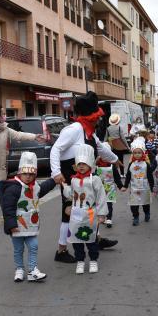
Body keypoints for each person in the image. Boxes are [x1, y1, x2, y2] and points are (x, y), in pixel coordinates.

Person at [50, 91, 119, 263]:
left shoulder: (89, 132)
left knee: (89, 209)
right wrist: (56, 172)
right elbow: (55, 149)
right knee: (69, 213)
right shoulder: (73, 130)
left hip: (86, 176)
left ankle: (95, 238)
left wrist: (116, 160)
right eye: (96, 117)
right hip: (70, 177)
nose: (99, 120)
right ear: (90, 117)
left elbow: (101, 149)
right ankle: (61, 250)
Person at [0, 103, 46, 228]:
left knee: (3, 194)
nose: (5, 116)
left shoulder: (5, 129)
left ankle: (7, 215)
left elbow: (18, 135)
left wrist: (34, 137)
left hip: (0, 169)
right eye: (2, 114)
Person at [1, 152, 57, 282]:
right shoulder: (13, 188)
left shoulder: (35, 186)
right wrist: (12, 225)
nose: (28, 177)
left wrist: (53, 181)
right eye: (25, 174)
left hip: (31, 226)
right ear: (19, 173)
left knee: (33, 246)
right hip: (17, 226)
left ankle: (32, 270)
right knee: (18, 249)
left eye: (31, 174)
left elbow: (42, 190)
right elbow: (8, 209)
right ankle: (19, 269)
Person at [62, 144, 108, 275]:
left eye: (84, 163)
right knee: (77, 240)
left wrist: (102, 214)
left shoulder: (95, 180)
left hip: (90, 214)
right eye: (79, 163)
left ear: (90, 164)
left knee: (91, 238)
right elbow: (72, 194)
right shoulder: (74, 180)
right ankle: (80, 261)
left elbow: (101, 197)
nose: (81, 166)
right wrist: (65, 187)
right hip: (76, 214)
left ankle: (93, 260)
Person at [121, 137, 154, 226]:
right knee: (134, 204)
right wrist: (125, 186)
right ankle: (135, 217)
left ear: (143, 153)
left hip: (145, 187)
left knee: (145, 203)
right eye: (135, 153)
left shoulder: (146, 164)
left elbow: (150, 177)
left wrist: (152, 187)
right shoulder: (131, 164)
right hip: (134, 188)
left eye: (139, 153)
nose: (137, 155)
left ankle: (147, 213)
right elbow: (128, 175)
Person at [95, 142, 123, 228]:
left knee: (109, 204)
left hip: (109, 188)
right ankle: (102, 217)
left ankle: (109, 218)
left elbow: (117, 177)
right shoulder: (95, 166)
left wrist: (120, 186)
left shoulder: (112, 166)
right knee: (100, 204)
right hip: (99, 189)